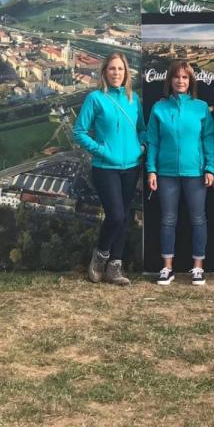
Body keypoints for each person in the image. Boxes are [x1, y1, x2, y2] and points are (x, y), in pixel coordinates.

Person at [73, 52, 145, 286]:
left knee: (125, 218)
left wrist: (141, 146)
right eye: (112, 69)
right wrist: (101, 150)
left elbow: (142, 129)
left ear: (127, 73)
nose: (116, 73)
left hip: (131, 167)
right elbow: (79, 132)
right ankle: (100, 256)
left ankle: (115, 267)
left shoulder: (133, 99)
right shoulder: (95, 98)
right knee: (115, 215)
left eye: (120, 69)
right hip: (105, 167)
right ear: (104, 72)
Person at [146, 60, 214, 286]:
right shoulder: (159, 108)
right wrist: (151, 170)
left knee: (198, 219)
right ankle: (167, 268)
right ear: (170, 81)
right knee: (167, 219)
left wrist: (210, 167)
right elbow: (153, 142)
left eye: (185, 77)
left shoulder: (201, 107)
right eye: (176, 77)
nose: (180, 81)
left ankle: (198, 267)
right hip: (166, 173)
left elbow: (209, 139)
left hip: (195, 173)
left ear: (190, 82)